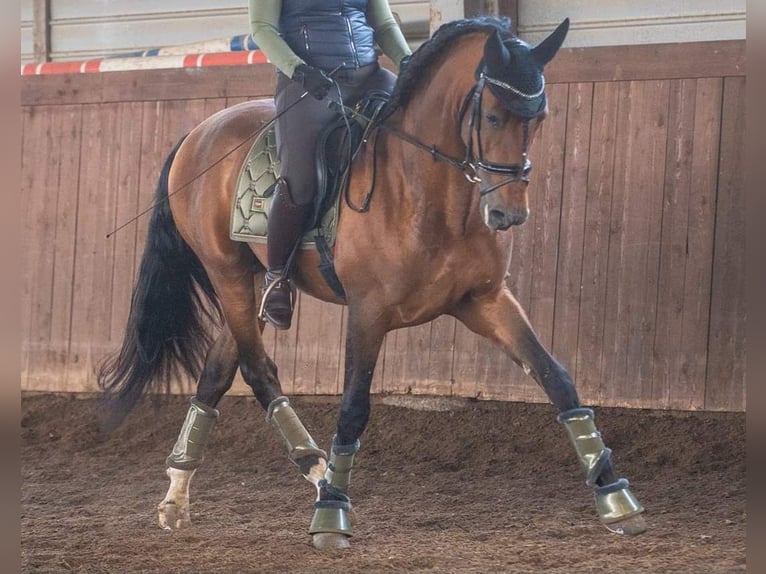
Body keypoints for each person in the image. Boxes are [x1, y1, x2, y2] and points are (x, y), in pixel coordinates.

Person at [249, 0, 412, 330]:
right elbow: (262, 29)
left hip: (370, 76)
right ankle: (276, 276)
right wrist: (298, 69)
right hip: (310, 81)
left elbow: (383, 24)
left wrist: (409, 62)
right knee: (301, 177)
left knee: (419, 130)